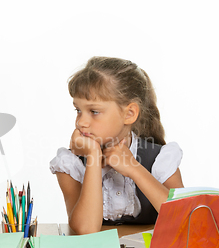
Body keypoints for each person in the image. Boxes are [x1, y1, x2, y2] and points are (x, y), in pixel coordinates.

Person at [50, 57, 184, 234]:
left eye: (94, 111)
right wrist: (93, 157)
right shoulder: (69, 164)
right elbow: (86, 230)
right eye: (78, 110)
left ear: (129, 114)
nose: (81, 122)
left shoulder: (160, 159)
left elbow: (185, 219)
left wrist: (134, 169)